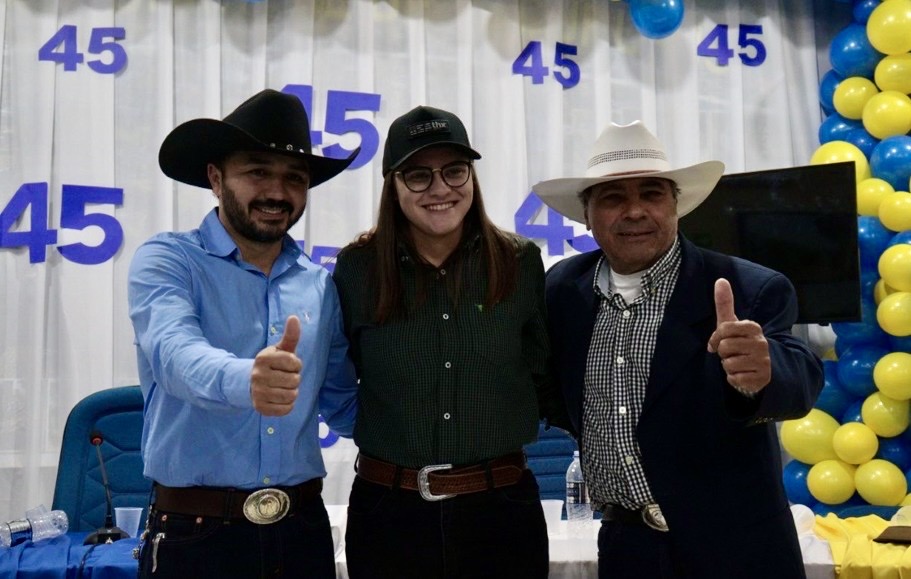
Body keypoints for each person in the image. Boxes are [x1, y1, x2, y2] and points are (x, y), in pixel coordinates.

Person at [534, 120, 824, 578]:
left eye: (651, 194)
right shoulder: (561, 289)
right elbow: (557, 391)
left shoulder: (749, 287)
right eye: (613, 197)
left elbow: (799, 377)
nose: (634, 211)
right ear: (586, 215)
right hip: (627, 551)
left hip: (737, 553)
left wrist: (763, 374)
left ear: (676, 205)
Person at [127, 89, 359, 578]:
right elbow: (173, 354)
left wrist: (438, 432)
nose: (277, 192)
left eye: (294, 178)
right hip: (196, 533)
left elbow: (343, 402)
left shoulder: (319, 284)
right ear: (216, 178)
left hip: (302, 530)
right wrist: (245, 379)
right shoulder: (168, 260)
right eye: (257, 171)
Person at [332, 105, 570, 578]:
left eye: (454, 171)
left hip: (501, 512)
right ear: (392, 185)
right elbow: (342, 374)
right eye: (418, 176)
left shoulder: (519, 262)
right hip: (387, 515)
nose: (440, 189)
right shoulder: (358, 268)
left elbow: (544, 375)